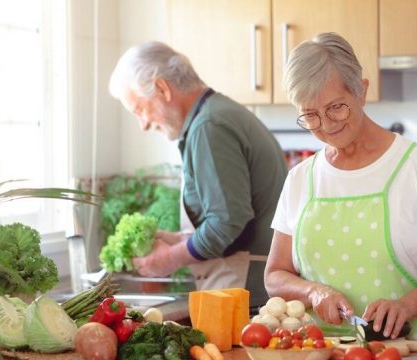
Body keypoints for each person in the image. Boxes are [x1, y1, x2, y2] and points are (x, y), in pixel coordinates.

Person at [264, 32, 417, 340]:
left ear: (362, 90)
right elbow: (274, 276)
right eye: (310, 115)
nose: (326, 125)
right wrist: (314, 293)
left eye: (336, 107)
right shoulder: (299, 179)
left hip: (409, 357)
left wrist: (406, 306)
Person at [109, 41, 288, 308]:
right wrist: (179, 241)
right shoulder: (214, 116)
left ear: (161, 88)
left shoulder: (209, 127)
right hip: (248, 287)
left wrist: (169, 258)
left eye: (139, 110)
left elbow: (227, 223)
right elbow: (230, 220)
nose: (143, 124)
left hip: (247, 294)